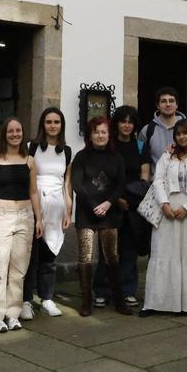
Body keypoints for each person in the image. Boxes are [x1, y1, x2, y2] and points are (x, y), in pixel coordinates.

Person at [142, 118, 187, 316]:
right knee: (164, 254)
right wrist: (164, 203)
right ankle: (156, 302)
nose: (182, 137)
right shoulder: (168, 156)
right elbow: (158, 180)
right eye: (178, 134)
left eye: (185, 133)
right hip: (168, 211)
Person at [0, 118, 43, 333]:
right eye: (10, 131)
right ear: (4, 134)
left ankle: (13, 314)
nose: (15, 134)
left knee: (18, 270)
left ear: (23, 133)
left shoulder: (30, 161)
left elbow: (34, 192)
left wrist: (39, 218)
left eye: (18, 130)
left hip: (25, 215)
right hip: (0, 216)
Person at [70, 116, 131, 316]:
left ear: (109, 134)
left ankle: (119, 300)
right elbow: (77, 184)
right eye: (96, 132)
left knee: (112, 257)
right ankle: (86, 300)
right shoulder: (81, 156)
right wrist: (94, 204)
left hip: (109, 213)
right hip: (86, 213)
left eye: (104, 132)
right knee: (85, 257)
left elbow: (120, 184)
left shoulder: (117, 157)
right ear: (90, 135)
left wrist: (108, 203)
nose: (100, 135)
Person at [94, 106, 150, 308]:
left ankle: (128, 290)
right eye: (123, 121)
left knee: (129, 250)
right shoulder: (108, 146)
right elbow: (100, 178)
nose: (127, 125)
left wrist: (131, 199)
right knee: (108, 250)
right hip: (111, 204)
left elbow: (145, 176)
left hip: (133, 206)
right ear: (116, 123)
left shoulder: (141, 146)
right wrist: (117, 199)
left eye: (130, 121)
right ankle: (103, 290)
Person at [24, 108, 73, 318]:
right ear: (42, 125)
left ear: (61, 125)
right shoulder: (32, 147)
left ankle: (47, 298)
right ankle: (26, 299)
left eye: (57, 122)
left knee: (50, 255)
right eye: (48, 122)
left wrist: (68, 211)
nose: (53, 126)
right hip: (35, 203)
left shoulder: (67, 151)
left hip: (57, 205)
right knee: (30, 256)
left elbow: (67, 184)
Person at [139, 86, 185, 168]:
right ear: (157, 105)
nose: (168, 104)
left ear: (177, 105)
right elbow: (140, 155)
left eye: (171, 101)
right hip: (155, 179)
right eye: (163, 101)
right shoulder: (146, 130)